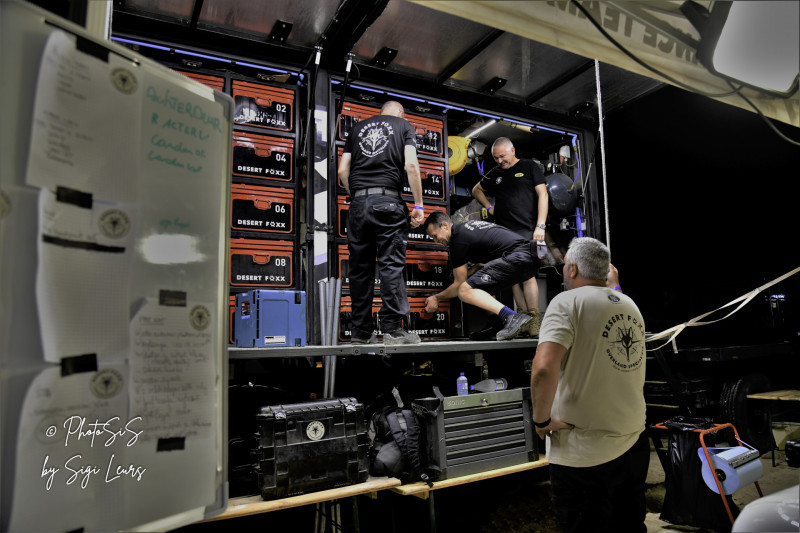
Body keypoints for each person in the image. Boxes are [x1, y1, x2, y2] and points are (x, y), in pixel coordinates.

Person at [530, 238, 648, 533]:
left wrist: (541, 420)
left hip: (584, 455)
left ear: (572, 269)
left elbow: (543, 369)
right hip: (633, 443)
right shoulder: (630, 305)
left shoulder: (566, 302)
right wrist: (614, 285)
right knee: (630, 526)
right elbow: (611, 299)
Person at [338, 100, 425, 345]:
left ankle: (360, 332)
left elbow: (343, 171)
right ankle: (392, 329)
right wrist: (419, 204)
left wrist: (356, 196)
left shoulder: (357, 129)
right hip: (388, 202)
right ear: (401, 113)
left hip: (357, 205)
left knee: (359, 270)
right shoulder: (404, 126)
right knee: (390, 265)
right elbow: (411, 164)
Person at [472, 137, 549, 334]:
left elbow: (543, 194)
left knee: (527, 274)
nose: (500, 161)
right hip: (504, 233)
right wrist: (489, 206)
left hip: (527, 229)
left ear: (512, 151)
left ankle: (534, 320)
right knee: (513, 276)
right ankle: (522, 319)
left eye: (502, 156)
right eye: (496, 158)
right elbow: (476, 190)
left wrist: (540, 225)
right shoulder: (496, 173)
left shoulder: (529, 166)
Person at [423, 212, 539, 341]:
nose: (436, 241)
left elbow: (459, 284)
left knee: (464, 290)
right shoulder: (467, 229)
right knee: (479, 283)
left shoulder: (457, 239)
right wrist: (472, 270)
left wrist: (437, 298)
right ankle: (496, 323)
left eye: (435, 236)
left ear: (445, 225)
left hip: (518, 256)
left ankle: (512, 317)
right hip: (530, 257)